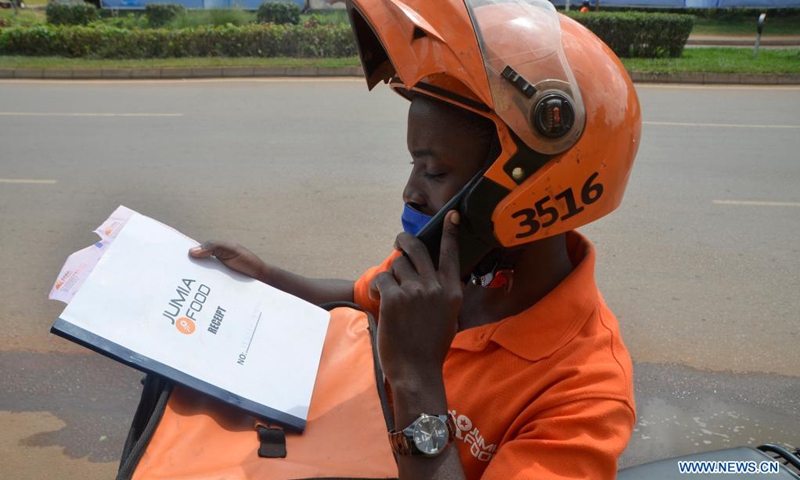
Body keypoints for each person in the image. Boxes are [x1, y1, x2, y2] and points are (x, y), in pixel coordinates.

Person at [190, 0, 642, 478]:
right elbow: (365, 295)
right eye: (414, 166)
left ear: (528, 188)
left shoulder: (586, 392)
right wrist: (264, 274)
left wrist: (416, 378)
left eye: (435, 171)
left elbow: (407, 356)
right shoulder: (457, 268)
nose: (410, 192)